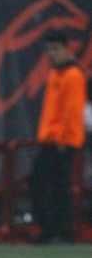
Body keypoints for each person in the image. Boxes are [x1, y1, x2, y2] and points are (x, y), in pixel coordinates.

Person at [31, 31, 86, 243]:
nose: (51, 54)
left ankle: (58, 231)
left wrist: (63, 139)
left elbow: (72, 111)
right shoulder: (55, 74)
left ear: (66, 49)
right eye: (48, 50)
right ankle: (53, 230)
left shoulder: (73, 75)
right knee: (51, 185)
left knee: (55, 186)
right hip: (51, 139)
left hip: (62, 142)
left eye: (55, 49)